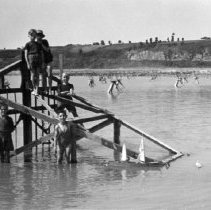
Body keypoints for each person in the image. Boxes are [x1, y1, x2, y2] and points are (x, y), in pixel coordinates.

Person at [24, 29, 42, 95]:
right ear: (28, 36)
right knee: (33, 75)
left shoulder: (38, 44)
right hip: (31, 59)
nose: (33, 36)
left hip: (37, 59)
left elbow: (41, 54)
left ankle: (36, 89)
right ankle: (34, 88)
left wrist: (42, 63)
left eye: (34, 35)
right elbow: (25, 55)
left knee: (37, 75)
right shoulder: (27, 44)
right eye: (31, 35)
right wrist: (28, 63)